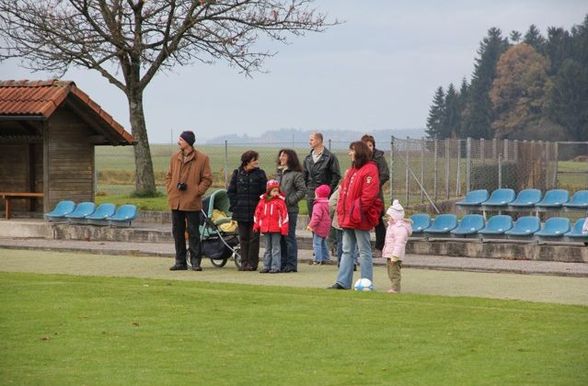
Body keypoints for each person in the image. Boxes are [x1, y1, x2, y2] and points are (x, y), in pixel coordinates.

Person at [328, 141, 382, 290]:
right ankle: (342, 282)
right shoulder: (352, 171)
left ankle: (366, 282)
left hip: (360, 218)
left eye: (351, 150)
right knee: (347, 250)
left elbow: (368, 196)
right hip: (348, 218)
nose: (349, 153)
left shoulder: (370, 170)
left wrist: (355, 212)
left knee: (364, 251)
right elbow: (343, 194)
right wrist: (342, 212)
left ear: (359, 152)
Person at [166, 130, 212, 271]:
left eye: (181, 139)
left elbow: (207, 179)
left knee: (193, 232)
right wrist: (171, 188)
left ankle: (195, 261)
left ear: (188, 142)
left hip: (192, 203)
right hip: (176, 201)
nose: (178, 142)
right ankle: (180, 261)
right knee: (177, 232)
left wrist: (196, 191)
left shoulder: (202, 159)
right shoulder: (174, 158)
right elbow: (168, 176)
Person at [227, 150, 268, 271]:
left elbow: (264, 193)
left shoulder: (260, 174)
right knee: (243, 238)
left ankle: (252, 263)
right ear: (247, 161)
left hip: (256, 212)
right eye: (254, 159)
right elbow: (231, 191)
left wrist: (261, 208)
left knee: (254, 238)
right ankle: (244, 262)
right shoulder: (237, 173)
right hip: (241, 211)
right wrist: (235, 205)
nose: (257, 162)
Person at [275, 149, 306, 272]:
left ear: (290, 158)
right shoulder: (278, 173)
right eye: (280, 155)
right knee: (281, 238)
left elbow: (302, 190)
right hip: (277, 211)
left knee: (289, 237)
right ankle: (282, 263)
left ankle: (291, 264)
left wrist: (289, 201)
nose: (281, 157)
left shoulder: (296, 174)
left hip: (290, 210)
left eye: (284, 155)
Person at [361, 134, 390, 257]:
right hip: (363, 194)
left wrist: (374, 184)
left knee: (378, 221)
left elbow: (385, 174)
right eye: (366, 146)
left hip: (376, 195)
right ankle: (363, 248)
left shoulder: (379, 158)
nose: (369, 148)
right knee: (362, 221)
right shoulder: (360, 159)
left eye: (370, 145)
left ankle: (380, 247)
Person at [254, 180, 289, 273]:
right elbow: (257, 214)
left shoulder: (280, 202)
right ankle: (266, 266)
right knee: (267, 248)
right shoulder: (262, 201)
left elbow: (284, 216)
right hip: (265, 228)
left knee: (276, 248)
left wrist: (284, 228)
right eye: (274, 191)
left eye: (277, 190)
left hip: (276, 228)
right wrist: (256, 225)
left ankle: (275, 267)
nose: (276, 193)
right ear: (269, 191)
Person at [303, 132, 341, 217]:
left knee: (324, 220)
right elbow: (304, 176)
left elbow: (336, 176)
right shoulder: (307, 159)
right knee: (313, 220)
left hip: (324, 195)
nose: (309, 142)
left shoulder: (330, 157)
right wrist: (308, 190)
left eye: (311, 140)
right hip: (311, 194)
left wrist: (328, 190)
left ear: (319, 140)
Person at [382, 199, 412, 293]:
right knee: (390, 272)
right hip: (390, 254)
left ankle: (395, 288)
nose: (388, 218)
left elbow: (399, 243)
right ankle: (393, 286)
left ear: (395, 216)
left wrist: (395, 255)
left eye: (390, 216)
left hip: (395, 255)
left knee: (394, 272)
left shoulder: (400, 228)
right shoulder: (392, 226)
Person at [328, 185, 358, 270]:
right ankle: (353, 262)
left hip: (340, 220)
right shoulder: (357, 188)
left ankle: (341, 262)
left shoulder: (340, 190)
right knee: (353, 242)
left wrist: (334, 213)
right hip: (353, 219)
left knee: (341, 242)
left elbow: (331, 203)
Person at [306, 184, 332, 265]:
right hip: (326, 226)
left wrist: (310, 225)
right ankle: (326, 257)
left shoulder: (318, 205)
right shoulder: (328, 203)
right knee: (323, 242)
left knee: (316, 243)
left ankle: (317, 259)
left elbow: (316, 217)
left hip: (319, 227)